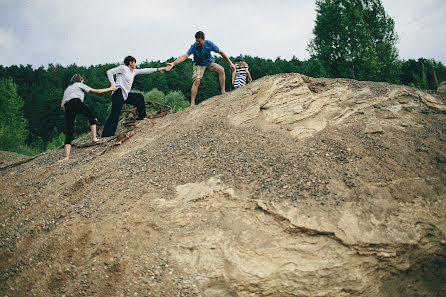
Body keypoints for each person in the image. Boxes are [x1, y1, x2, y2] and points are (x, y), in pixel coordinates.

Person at [165, 31, 236, 106]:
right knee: (197, 80)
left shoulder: (209, 44)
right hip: (198, 65)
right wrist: (173, 63)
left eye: (199, 41)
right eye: (196, 41)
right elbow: (185, 56)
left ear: (203, 39)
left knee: (221, 69)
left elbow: (221, 53)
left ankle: (223, 91)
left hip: (208, 63)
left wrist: (230, 63)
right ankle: (192, 103)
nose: (197, 43)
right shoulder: (194, 46)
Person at [102, 56, 165, 137]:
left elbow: (144, 70)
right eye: (134, 62)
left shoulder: (133, 71)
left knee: (139, 97)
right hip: (118, 93)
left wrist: (156, 69)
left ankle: (142, 117)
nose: (135, 64)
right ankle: (106, 135)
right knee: (114, 114)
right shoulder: (123, 68)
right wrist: (113, 85)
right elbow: (109, 72)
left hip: (125, 95)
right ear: (130, 62)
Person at [60, 74, 116, 160]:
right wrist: (111, 89)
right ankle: (94, 138)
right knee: (91, 116)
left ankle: (66, 157)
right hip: (76, 101)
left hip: (68, 105)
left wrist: (72, 116)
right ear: (80, 80)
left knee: (69, 130)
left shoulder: (67, 89)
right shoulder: (79, 84)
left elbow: (62, 106)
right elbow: (97, 91)